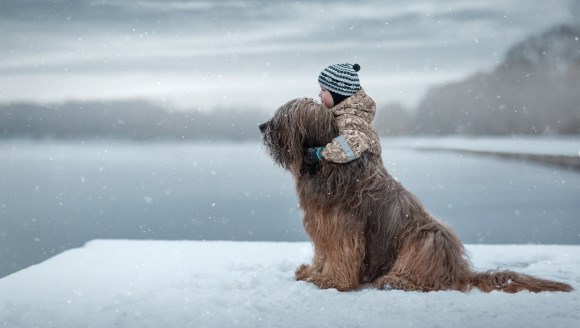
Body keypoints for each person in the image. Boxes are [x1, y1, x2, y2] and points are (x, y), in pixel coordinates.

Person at [305, 63, 382, 165]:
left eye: (324, 90)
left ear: (338, 95)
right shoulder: (348, 114)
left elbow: (350, 147)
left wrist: (320, 153)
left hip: (363, 175)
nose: (319, 94)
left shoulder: (349, 119)